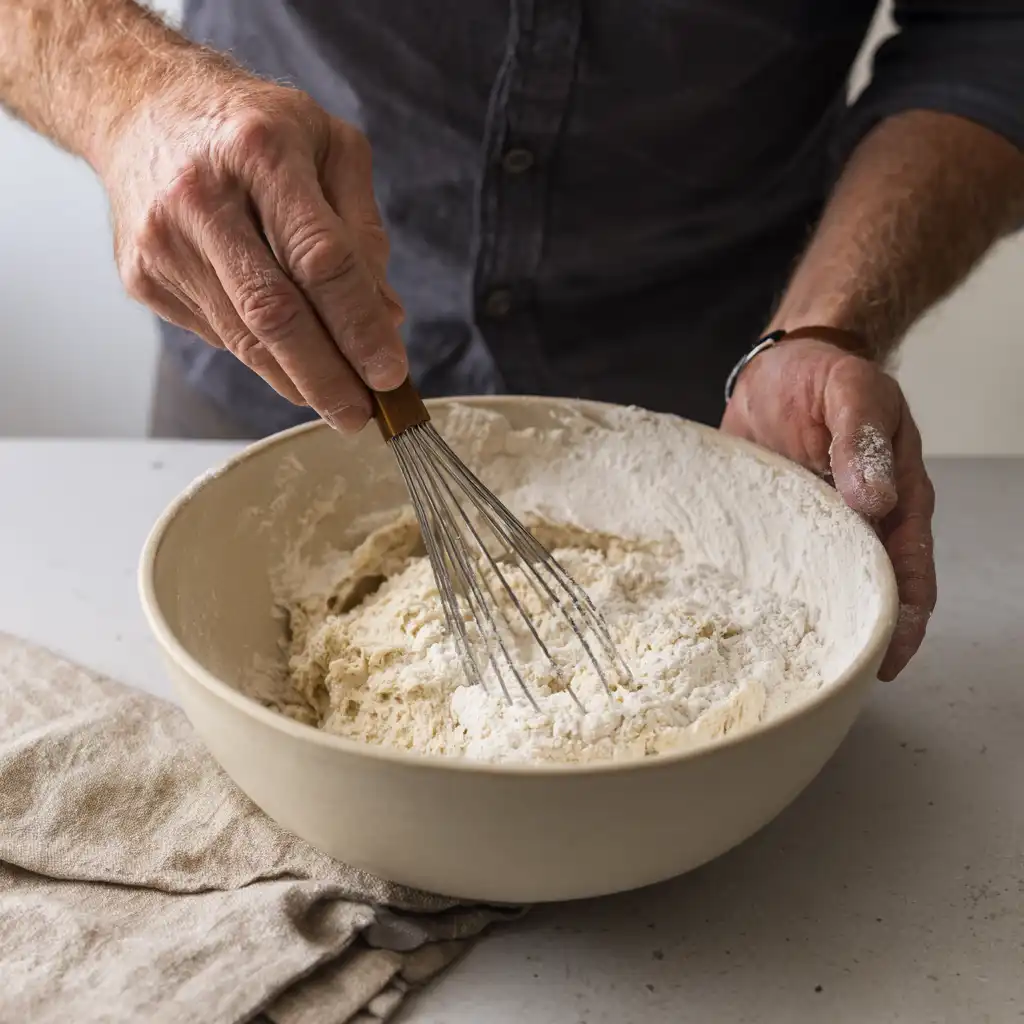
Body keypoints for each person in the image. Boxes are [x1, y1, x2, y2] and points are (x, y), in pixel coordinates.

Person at [3, 2, 1023, 679]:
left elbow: (991, 28)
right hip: (261, 336)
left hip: (721, 405)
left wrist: (830, 320)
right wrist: (127, 94)